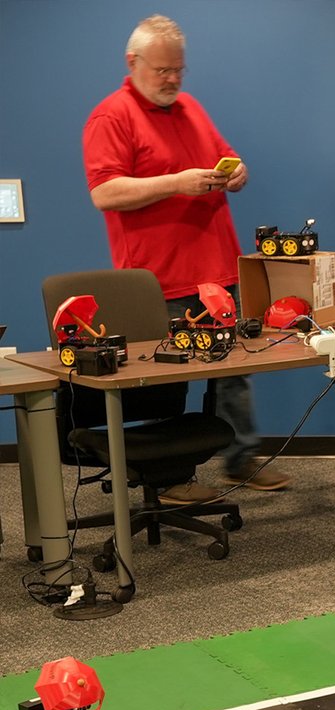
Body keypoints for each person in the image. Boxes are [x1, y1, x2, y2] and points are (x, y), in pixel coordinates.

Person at [82, 15, 290, 503]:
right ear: (132, 63)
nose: (173, 79)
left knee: (235, 372)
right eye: (162, 70)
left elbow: (227, 157)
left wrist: (236, 172)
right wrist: (177, 182)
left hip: (217, 271)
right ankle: (169, 479)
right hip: (160, 281)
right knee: (168, 383)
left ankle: (240, 458)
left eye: (179, 69)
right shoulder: (110, 117)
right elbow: (105, 192)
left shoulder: (190, 106)